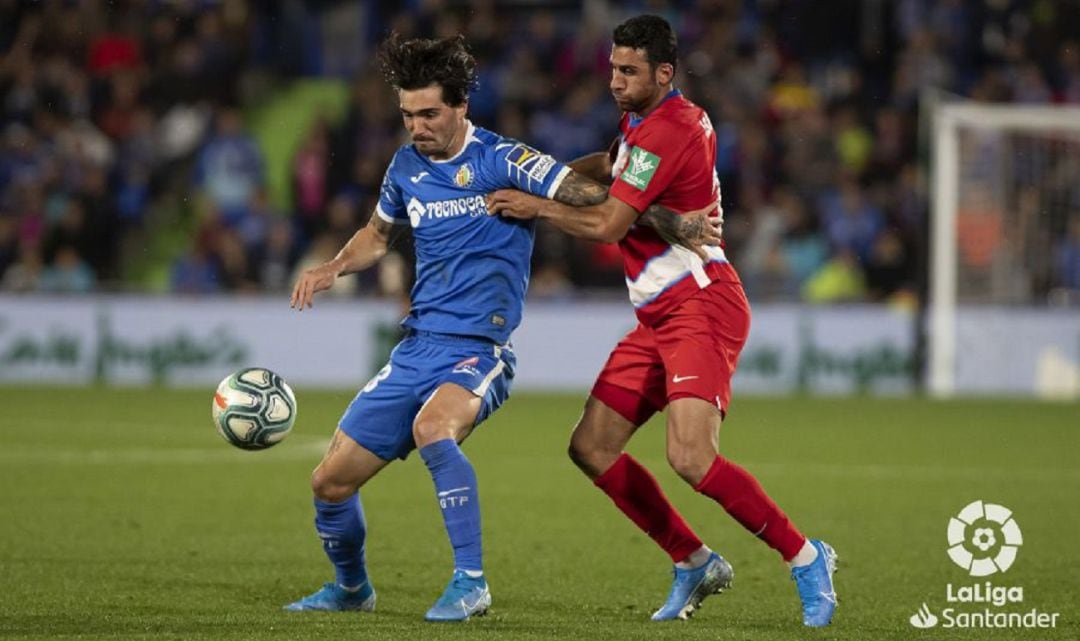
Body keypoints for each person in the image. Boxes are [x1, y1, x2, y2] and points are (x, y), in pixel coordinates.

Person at [285, 32, 719, 622]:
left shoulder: (505, 160)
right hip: (416, 347)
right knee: (329, 484)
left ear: (461, 106)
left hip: (479, 350)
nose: (417, 126)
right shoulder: (405, 166)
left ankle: (471, 582)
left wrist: (675, 222)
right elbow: (378, 235)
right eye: (408, 114)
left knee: (434, 429)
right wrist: (336, 265)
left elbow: (594, 194)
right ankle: (351, 589)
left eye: (430, 113)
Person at [486, 15, 838, 627]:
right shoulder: (644, 121)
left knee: (691, 457)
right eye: (613, 69)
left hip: (701, 304)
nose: (615, 82)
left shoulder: (669, 129)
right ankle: (693, 560)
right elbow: (613, 160)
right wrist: (551, 170)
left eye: (629, 72)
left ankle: (806, 557)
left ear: (664, 73)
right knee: (591, 447)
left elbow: (606, 226)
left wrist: (535, 203)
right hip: (657, 317)